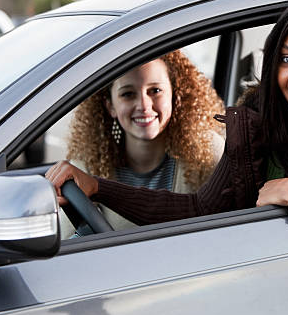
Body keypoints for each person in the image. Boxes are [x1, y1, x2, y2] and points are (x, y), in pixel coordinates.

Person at [47, 0, 288, 303]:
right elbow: (201, 211)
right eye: (287, 58)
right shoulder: (261, 130)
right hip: (264, 307)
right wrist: (100, 188)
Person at [61, 50, 225, 236]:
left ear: (175, 96)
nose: (144, 106)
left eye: (155, 91)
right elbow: (66, 244)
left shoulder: (207, 150)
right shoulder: (88, 165)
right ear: (111, 107)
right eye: (128, 94)